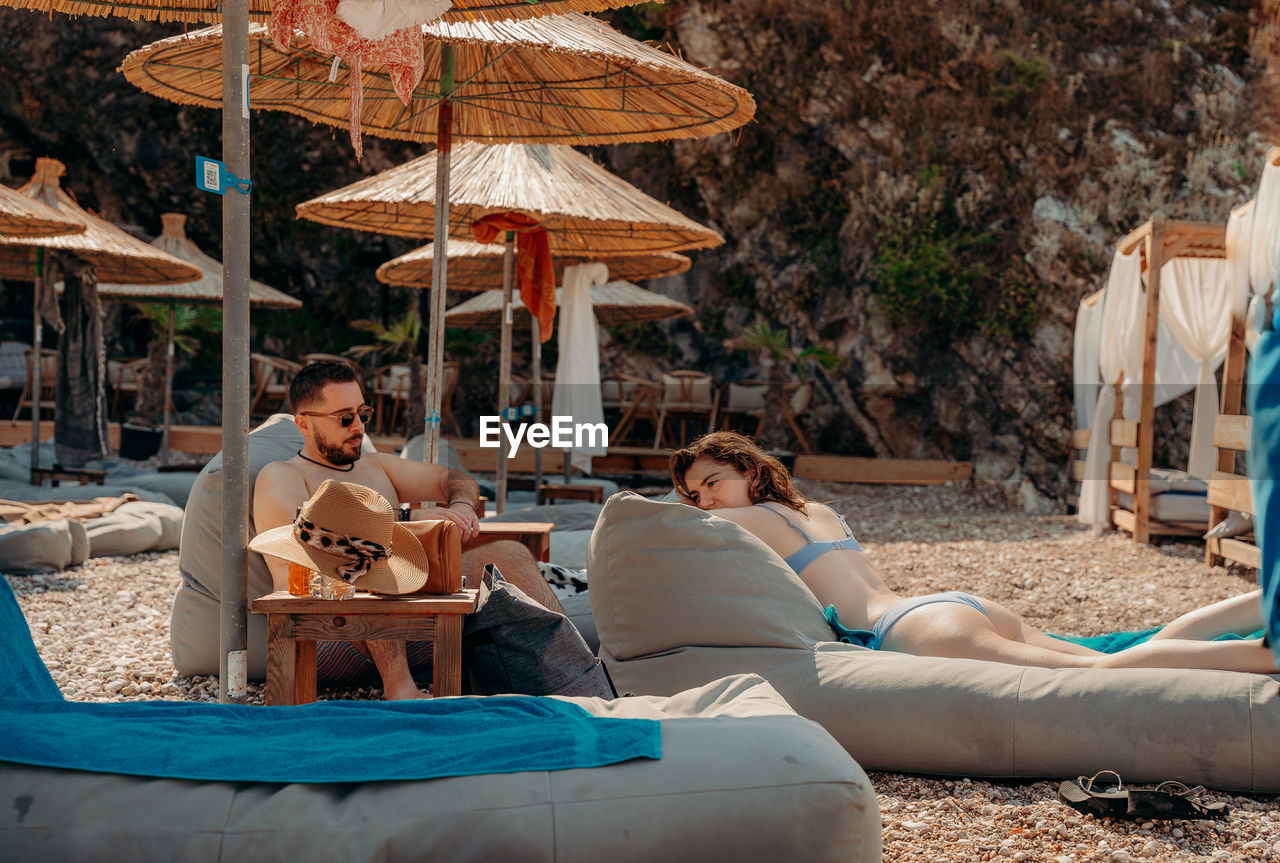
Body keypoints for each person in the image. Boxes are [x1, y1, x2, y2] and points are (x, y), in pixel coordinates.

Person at [670, 431, 1277, 674]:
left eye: (712, 483)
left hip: (910, 626)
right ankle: (1261, 602)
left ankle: (1264, 656)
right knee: (1137, 647)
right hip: (947, 608)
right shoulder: (815, 511)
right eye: (695, 495)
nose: (705, 503)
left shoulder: (748, 520)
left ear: (747, 470)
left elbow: (654, 525)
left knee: (1093, 674)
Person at [254, 361, 564, 699]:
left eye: (363, 414)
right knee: (372, 567)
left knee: (511, 555)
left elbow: (454, 479)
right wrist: (411, 517)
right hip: (325, 628)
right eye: (344, 418)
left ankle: (574, 677)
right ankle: (400, 688)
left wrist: (461, 507)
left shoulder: (376, 467)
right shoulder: (282, 474)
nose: (358, 427)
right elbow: (317, 542)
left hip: (414, 620)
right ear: (303, 423)